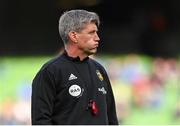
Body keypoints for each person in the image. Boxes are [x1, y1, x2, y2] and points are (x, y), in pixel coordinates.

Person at [31, 9, 118, 125]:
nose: (97, 38)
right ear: (73, 36)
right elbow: (41, 121)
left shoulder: (99, 70)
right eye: (91, 33)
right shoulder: (50, 72)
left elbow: (112, 118)